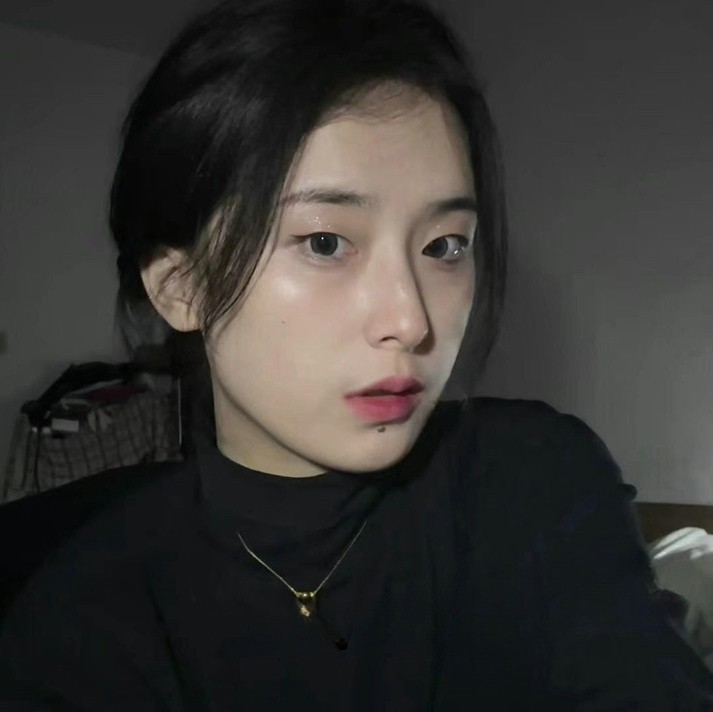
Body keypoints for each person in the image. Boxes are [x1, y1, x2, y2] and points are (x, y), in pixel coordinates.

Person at [1, 0, 712, 708]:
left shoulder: (533, 479)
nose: (411, 320)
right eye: (325, 242)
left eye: (444, 246)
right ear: (180, 287)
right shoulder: (81, 629)